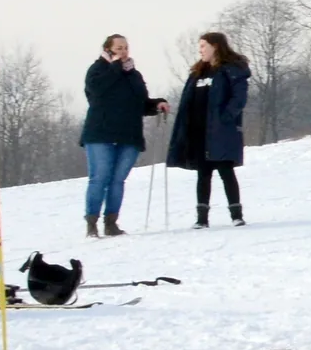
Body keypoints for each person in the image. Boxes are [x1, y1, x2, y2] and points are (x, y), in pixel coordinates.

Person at [80, 34, 168, 237]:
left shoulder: (134, 75)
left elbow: (140, 103)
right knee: (99, 178)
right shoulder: (97, 70)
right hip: (101, 133)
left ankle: (111, 222)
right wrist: (115, 67)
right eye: (119, 48)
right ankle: (91, 223)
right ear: (108, 49)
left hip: (129, 134)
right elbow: (96, 92)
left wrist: (156, 104)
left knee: (118, 180)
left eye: (126, 47)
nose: (123, 51)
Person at [168, 32, 251, 227]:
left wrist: (225, 117)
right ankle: (202, 218)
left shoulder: (231, 70)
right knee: (203, 174)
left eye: (203, 46)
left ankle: (236, 215)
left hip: (221, 131)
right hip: (199, 132)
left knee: (226, 171)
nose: (201, 50)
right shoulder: (198, 73)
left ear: (215, 46)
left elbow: (239, 98)